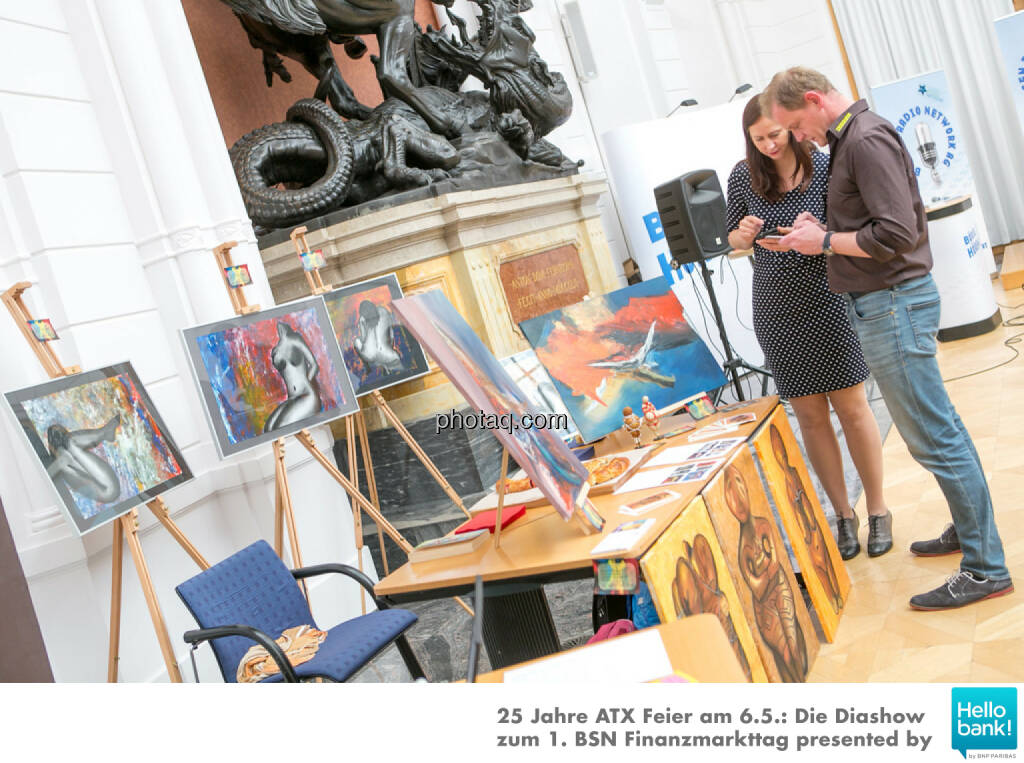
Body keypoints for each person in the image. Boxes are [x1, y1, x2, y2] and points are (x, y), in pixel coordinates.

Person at [762, 67, 1013, 611]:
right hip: (887, 304)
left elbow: (895, 233)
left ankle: (985, 568)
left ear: (812, 100)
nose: (799, 138)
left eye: (797, 125)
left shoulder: (865, 139)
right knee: (938, 429)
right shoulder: (854, 137)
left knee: (934, 437)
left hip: (894, 305)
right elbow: (873, 218)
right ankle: (970, 534)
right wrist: (819, 227)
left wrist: (823, 239)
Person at [726, 96, 890, 559]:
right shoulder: (743, 175)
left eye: (775, 134)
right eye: (759, 139)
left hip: (830, 293)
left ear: (790, 128)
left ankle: (877, 508)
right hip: (776, 305)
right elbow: (734, 240)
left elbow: (848, 227)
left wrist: (817, 230)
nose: (769, 145)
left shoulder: (825, 163)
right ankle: (842, 512)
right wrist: (743, 233)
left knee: (853, 407)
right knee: (810, 416)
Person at [264, 321, 322, 432]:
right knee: (269, 428)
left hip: (306, 395)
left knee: (279, 429)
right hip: (292, 398)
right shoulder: (275, 351)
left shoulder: (295, 339)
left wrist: (307, 382)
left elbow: (314, 365)